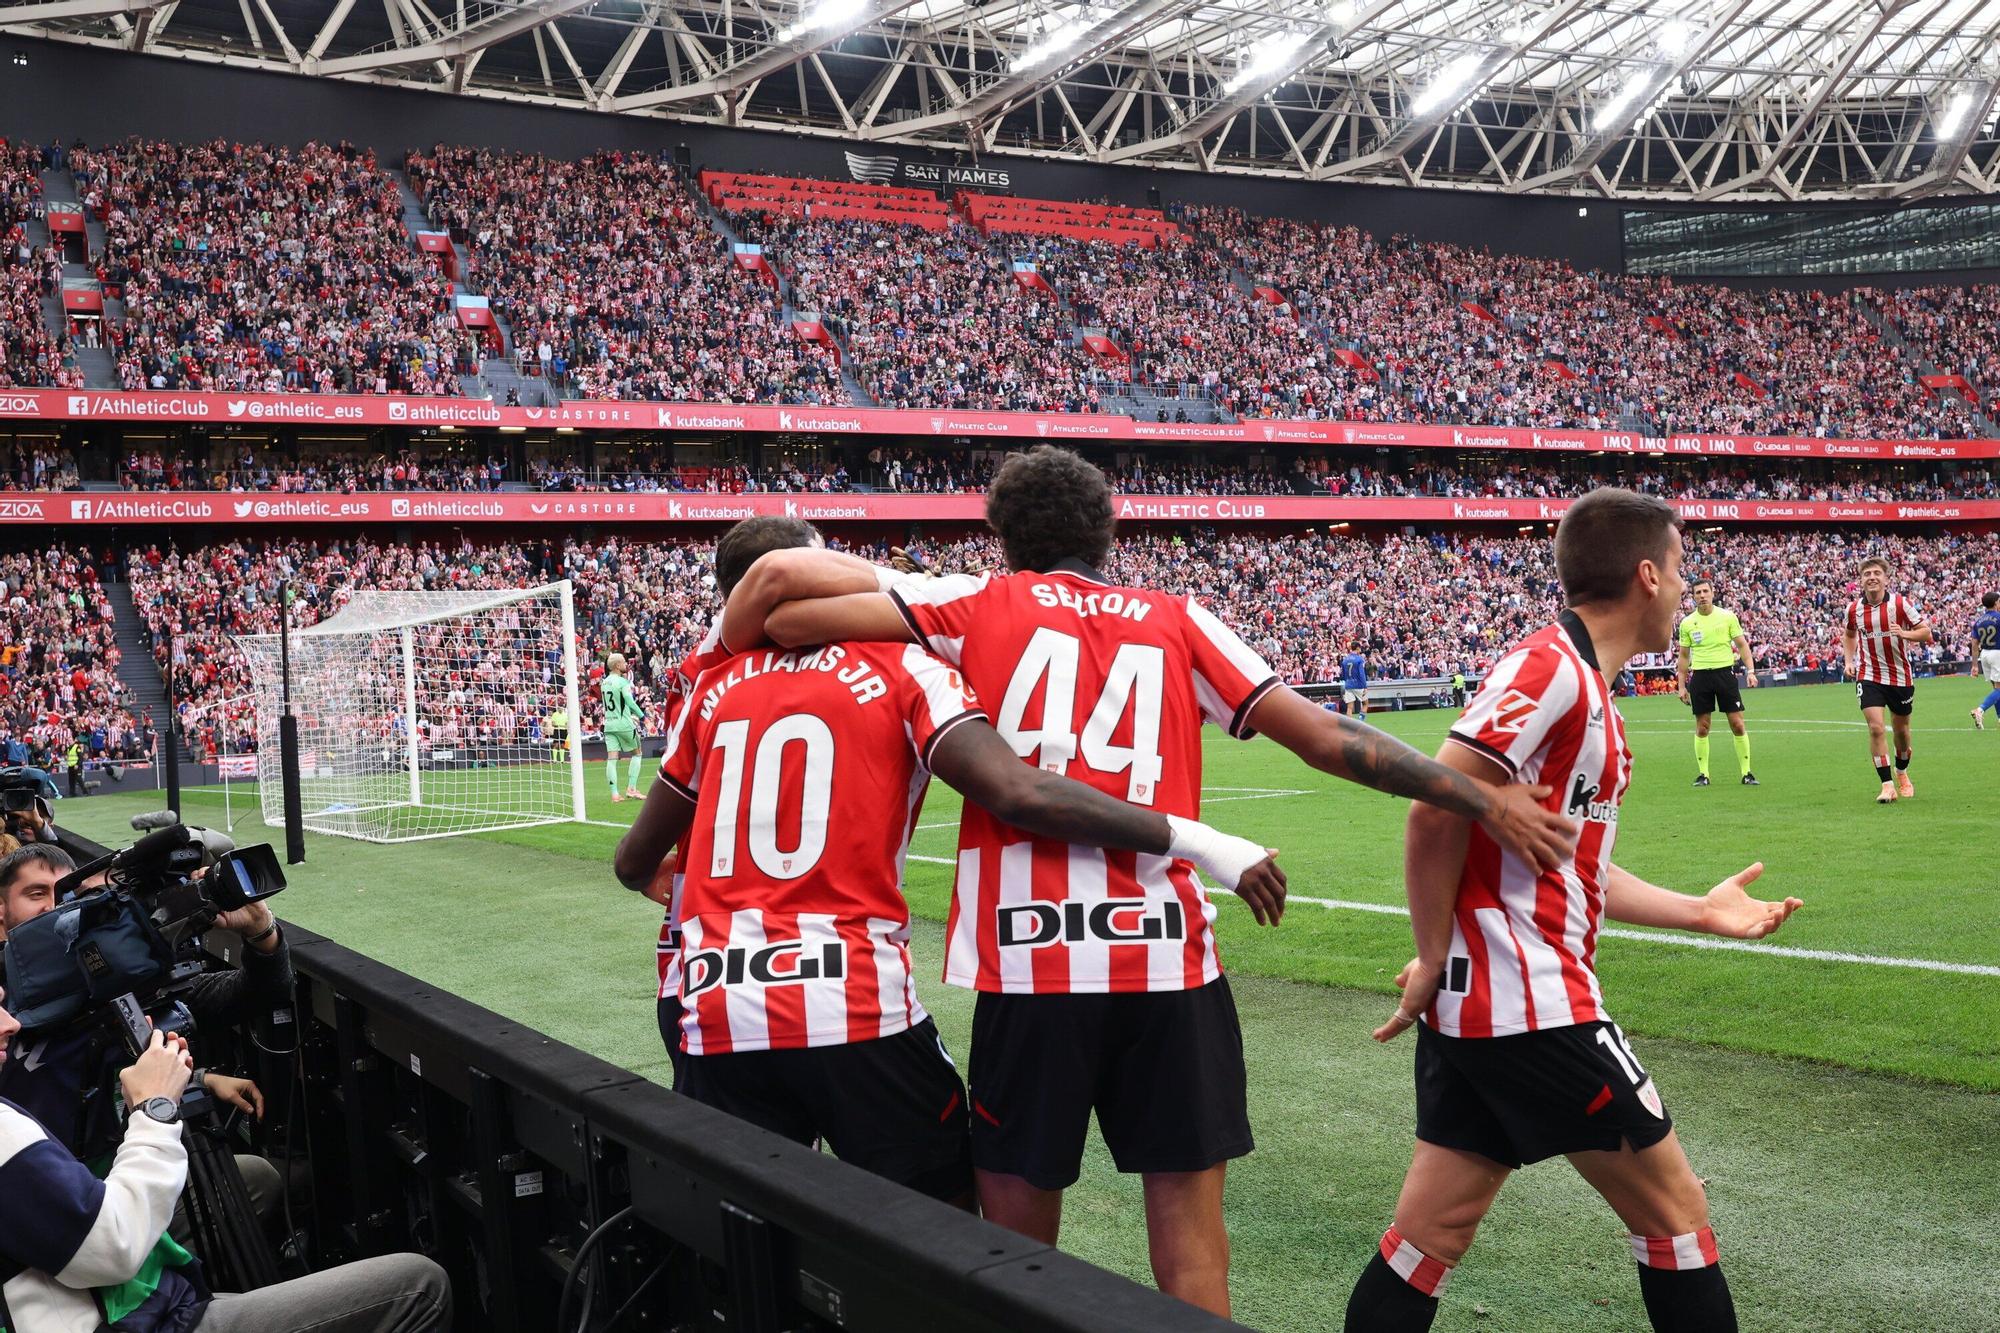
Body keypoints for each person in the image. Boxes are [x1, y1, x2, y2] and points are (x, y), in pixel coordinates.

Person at [721, 446, 1574, 1317]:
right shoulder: (1180, 615)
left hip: (1031, 967)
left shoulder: (974, 600)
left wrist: (917, 578)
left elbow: (786, 617)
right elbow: (1325, 736)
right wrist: (1476, 797)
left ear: (1001, 536)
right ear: (1111, 529)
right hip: (1168, 964)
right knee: (1192, 1240)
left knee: (1012, 1247)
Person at [613, 515, 1284, 1210]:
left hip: (712, 1004)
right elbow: (1017, 788)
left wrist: (666, 879)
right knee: (946, 1231)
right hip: (853, 1005)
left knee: (746, 1238)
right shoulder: (905, 666)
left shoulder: (706, 687)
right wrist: (1199, 840)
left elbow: (632, 860)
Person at [1346, 488, 1802, 1333]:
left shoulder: (1586, 685)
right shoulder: (1551, 669)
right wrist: (1432, 949)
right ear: (1646, 575)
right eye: (1677, 568)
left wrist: (1702, 911)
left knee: (1428, 1234)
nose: (1682, 586)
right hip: (1533, 1005)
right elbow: (1437, 803)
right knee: (1676, 1215)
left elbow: (1575, 866)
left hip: (1489, 1009)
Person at [0, 986, 452, 1332]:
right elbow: (112, 1247)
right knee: (420, 1287)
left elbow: (253, 988)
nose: (11, 1023)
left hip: (88, 1288)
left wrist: (262, 936)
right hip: (129, 1314)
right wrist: (155, 1108)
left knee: (252, 1180)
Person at [1841, 556, 1932, 804]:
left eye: (1876, 573)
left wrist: (1904, 633)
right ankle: (1887, 785)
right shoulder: (1853, 609)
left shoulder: (1900, 604)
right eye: (1867, 573)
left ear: (1885, 578)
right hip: (1868, 675)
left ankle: (1901, 772)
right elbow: (1849, 635)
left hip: (1900, 676)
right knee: (1876, 728)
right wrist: (1849, 661)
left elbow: (1926, 632)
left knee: (1901, 732)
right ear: (1861, 580)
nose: (1872, 577)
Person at [1674, 579, 1758, 787]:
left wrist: (1751, 671)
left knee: (1737, 724)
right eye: (1698, 592)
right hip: (1701, 676)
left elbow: (1742, 645)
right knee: (1702, 727)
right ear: (1693, 596)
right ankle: (1703, 775)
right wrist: (1681, 686)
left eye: (1705, 591)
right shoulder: (1687, 623)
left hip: (1725, 675)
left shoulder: (1727, 617)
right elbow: (1684, 657)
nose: (1702, 595)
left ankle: (1747, 773)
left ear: (1712, 593)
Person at [600, 653, 645, 802]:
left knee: (612, 759)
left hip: (609, 724)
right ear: (618, 665)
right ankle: (631, 789)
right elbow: (630, 703)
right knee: (637, 753)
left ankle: (614, 794)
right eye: (625, 662)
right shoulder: (622, 682)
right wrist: (642, 716)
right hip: (624, 724)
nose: (626, 665)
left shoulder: (604, 683)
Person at [1970, 591, 2000, 731]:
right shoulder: (1999, 618)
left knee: (1996, 688)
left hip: (1985, 654)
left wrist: (1975, 665)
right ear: (1995, 603)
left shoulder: (1979, 621)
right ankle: (1980, 710)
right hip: (1997, 653)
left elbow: (1974, 643)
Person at [1340, 646, 1369, 716]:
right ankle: (1360, 722)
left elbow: (1343, 675)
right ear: (1357, 648)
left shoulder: (1345, 659)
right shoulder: (1359, 659)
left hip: (1348, 685)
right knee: (1365, 704)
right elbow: (1362, 674)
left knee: (1349, 707)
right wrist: (1365, 686)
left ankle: (1349, 726)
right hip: (1358, 684)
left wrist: (1345, 684)